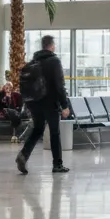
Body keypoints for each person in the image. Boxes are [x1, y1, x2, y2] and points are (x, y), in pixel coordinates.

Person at [16, 35, 71, 175]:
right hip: (50, 102)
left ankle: (23, 154)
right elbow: (59, 85)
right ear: (51, 46)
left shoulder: (34, 61)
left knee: (38, 129)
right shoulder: (54, 61)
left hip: (34, 103)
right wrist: (64, 105)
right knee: (54, 132)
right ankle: (57, 164)